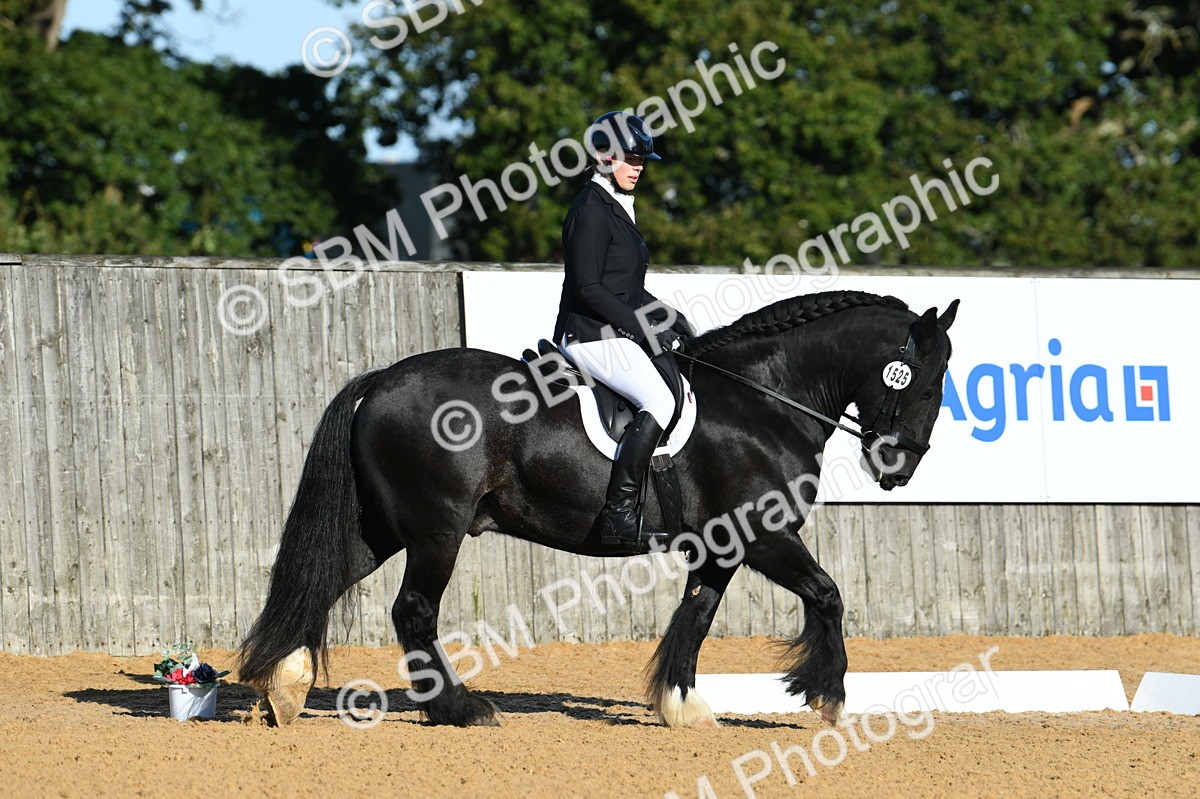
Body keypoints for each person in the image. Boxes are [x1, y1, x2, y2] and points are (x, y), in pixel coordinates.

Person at [554, 111, 691, 553]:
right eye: (632, 158)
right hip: (590, 335)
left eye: (642, 159)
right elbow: (589, 287)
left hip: (612, 332)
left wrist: (666, 318)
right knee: (660, 400)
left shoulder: (616, 209)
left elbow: (626, 288)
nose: (640, 166)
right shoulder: (591, 211)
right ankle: (620, 511)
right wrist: (643, 329)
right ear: (603, 157)